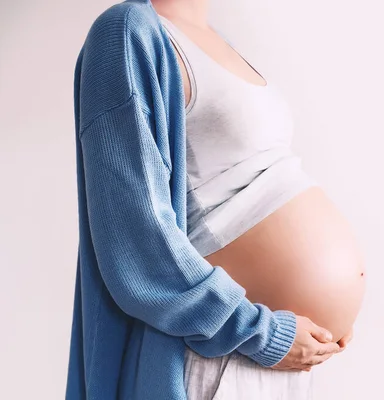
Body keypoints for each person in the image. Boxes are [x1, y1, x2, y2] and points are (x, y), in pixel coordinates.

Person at [66, 0, 366, 398]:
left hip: (279, 359)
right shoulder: (126, 32)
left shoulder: (219, 40)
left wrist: (329, 308)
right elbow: (136, 241)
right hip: (224, 355)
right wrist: (262, 333)